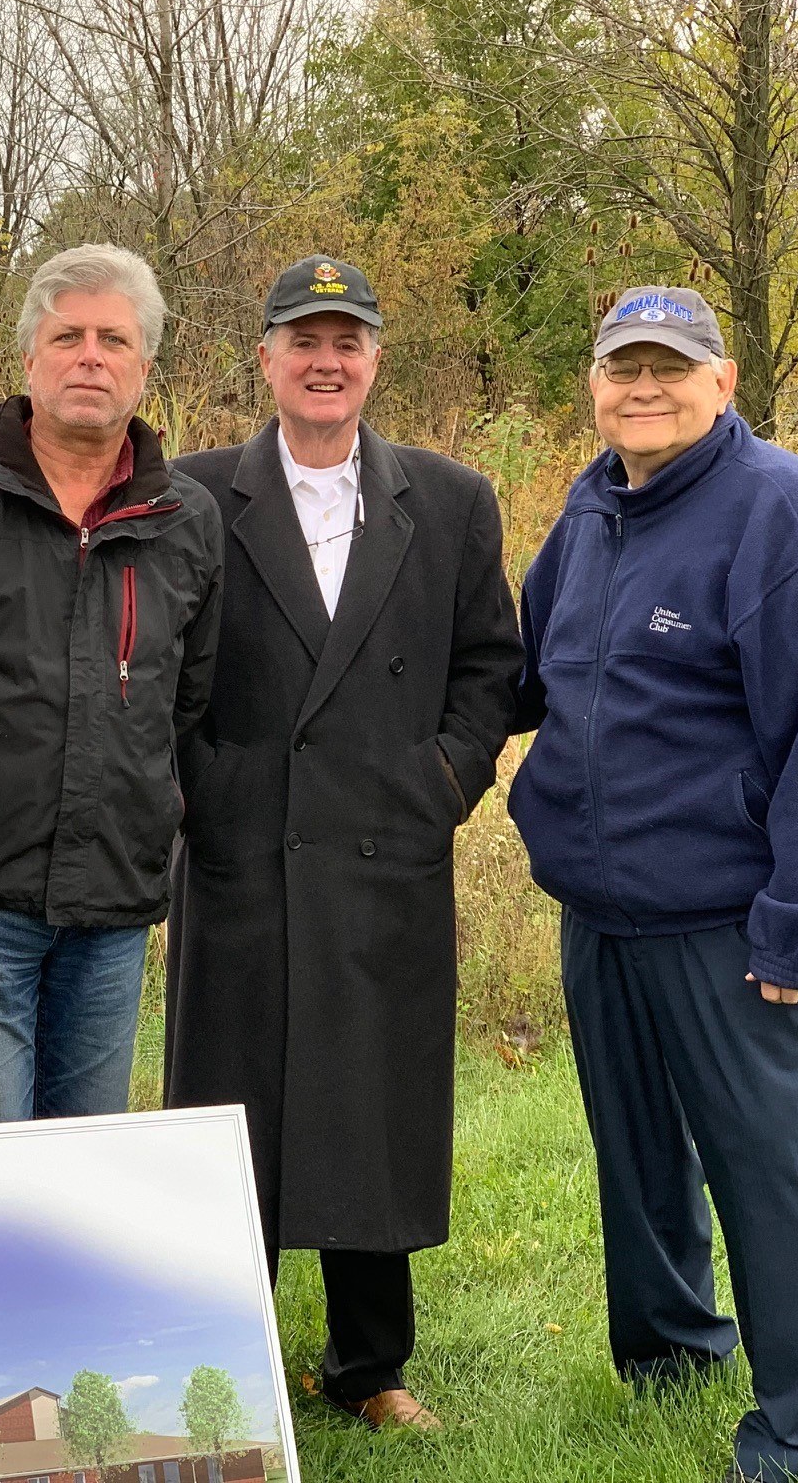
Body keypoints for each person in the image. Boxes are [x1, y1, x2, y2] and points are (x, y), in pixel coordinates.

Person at [510, 287, 798, 1483]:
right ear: (593, 383)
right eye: (622, 366)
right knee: (637, 1159)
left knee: (770, 1168)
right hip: (602, 913)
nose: (643, 387)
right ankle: (672, 1354)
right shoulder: (591, 512)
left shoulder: (792, 522)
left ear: (722, 382)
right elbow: (530, 669)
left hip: (734, 923)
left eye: (669, 367)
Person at [163, 255, 523, 1431]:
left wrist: (442, 779)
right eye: (302, 340)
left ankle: (372, 1366)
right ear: (263, 358)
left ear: (376, 358)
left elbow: (489, 669)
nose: (326, 361)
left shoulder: (453, 498)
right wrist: (206, 792)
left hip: (387, 845)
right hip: (245, 848)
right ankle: (233, 1359)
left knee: (372, 1098)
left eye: (348, 341)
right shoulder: (194, 492)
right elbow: (159, 669)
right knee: (235, 1103)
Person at [0, 243, 222, 1126]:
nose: (91, 356)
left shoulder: (186, 519)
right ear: (29, 357)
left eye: (114, 339)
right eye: (68, 336)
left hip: (111, 908)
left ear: (146, 365)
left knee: (82, 1173)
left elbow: (187, 701)